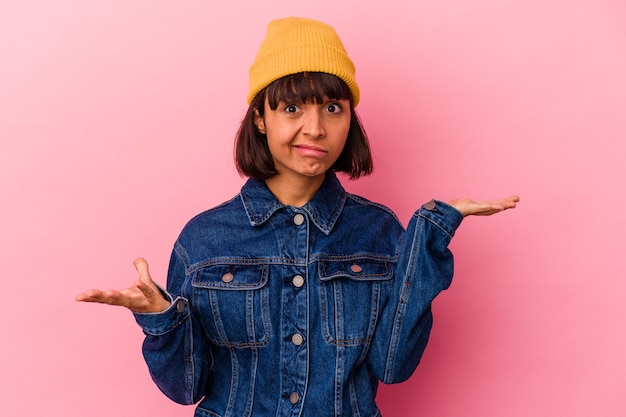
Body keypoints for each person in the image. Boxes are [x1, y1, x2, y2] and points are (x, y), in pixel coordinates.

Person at [77, 17, 519, 417]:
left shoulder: (378, 231)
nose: (315, 128)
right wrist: (162, 318)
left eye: (332, 108)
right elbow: (185, 387)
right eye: (292, 108)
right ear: (261, 119)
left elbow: (393, 366)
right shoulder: (205, 238)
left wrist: (428, 239)